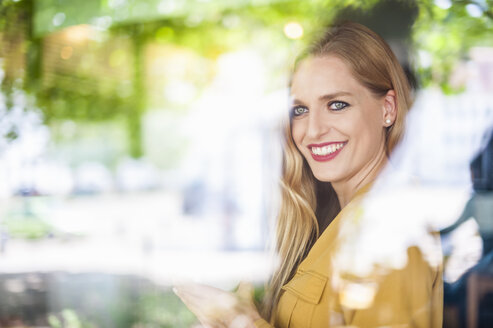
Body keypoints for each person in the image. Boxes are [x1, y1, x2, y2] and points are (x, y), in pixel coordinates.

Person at [174, 21, 443, 327]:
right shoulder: (336, 219)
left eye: (337, 104)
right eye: (300, 110)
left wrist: (241, 322)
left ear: (388, 109)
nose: (313, 130)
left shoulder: (392, 222)